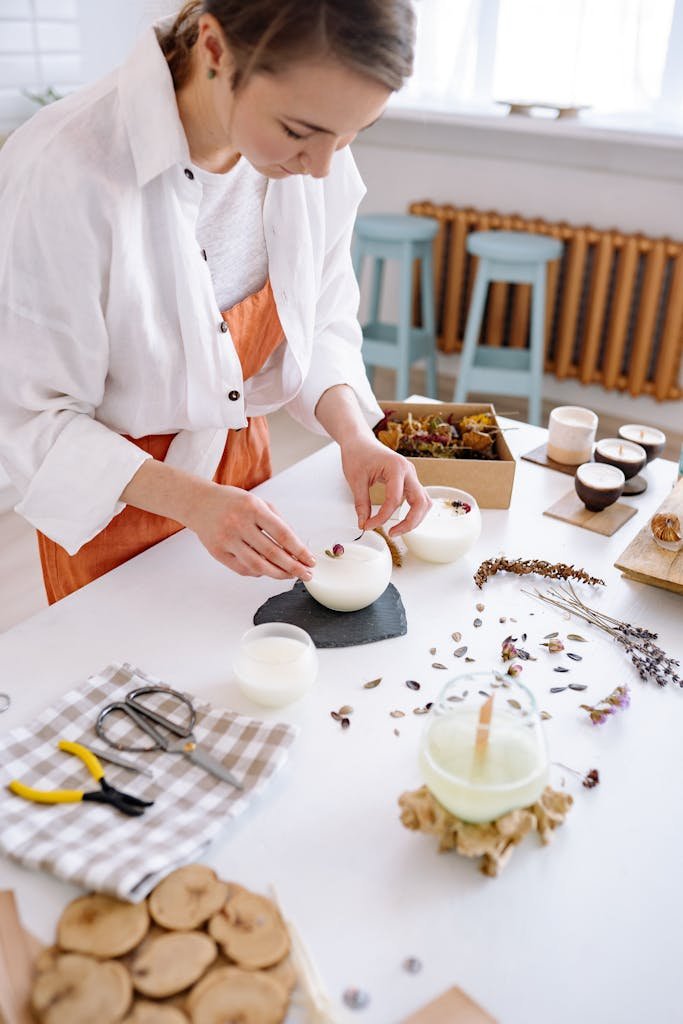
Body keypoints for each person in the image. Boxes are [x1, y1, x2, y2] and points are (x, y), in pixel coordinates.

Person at [0, 0, 430, 605]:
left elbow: (322, 319)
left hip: (242, 477)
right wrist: (195, 501)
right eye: (299, 133)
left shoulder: (316, 147)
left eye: (352, 136)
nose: (322, 166)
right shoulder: (66, 170)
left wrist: (356, 437)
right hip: (114, 504)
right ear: (215, 49)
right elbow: (32, 417)